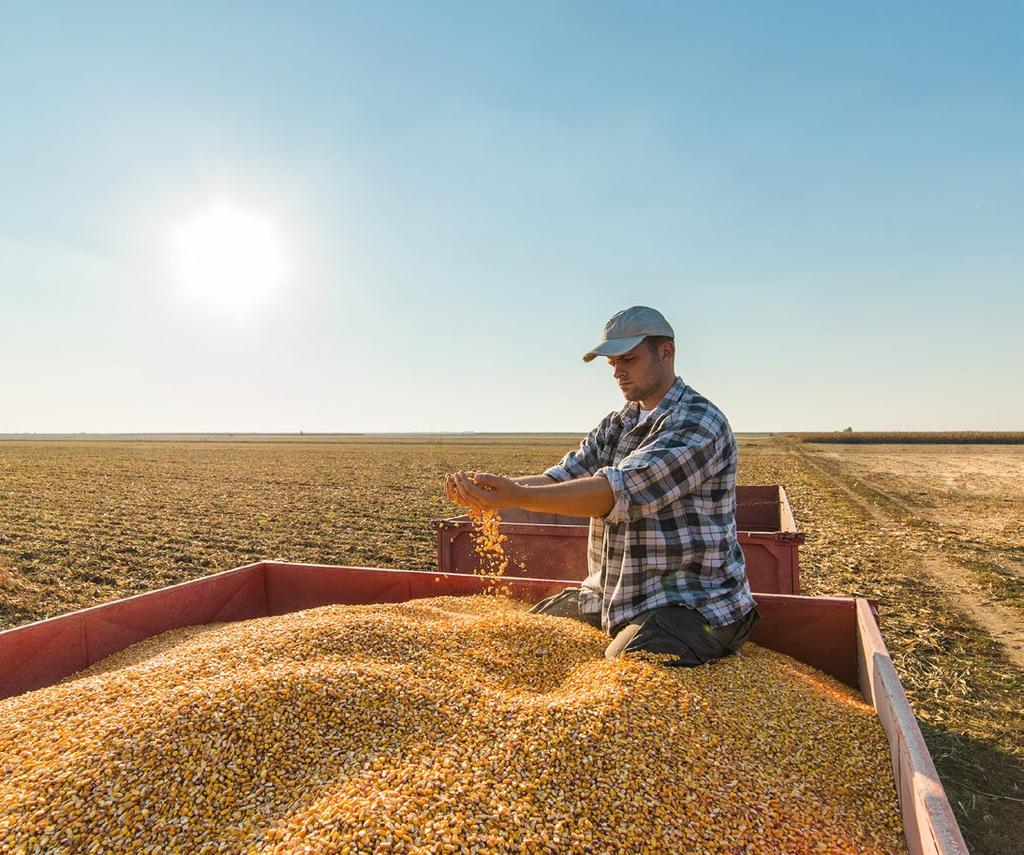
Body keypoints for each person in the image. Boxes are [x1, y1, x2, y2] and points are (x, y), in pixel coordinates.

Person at [443, 305, 757, 667]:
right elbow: (559, 479)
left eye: (629, 359)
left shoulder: (699, 422)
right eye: (612, 364)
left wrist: (519, 495)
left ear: (666, 352)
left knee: (627, 668)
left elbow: (616, 492)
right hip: (616, 596)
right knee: (529, 636)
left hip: (694, 604)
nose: (619, 372)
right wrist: (495, 492)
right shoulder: (617, 425)